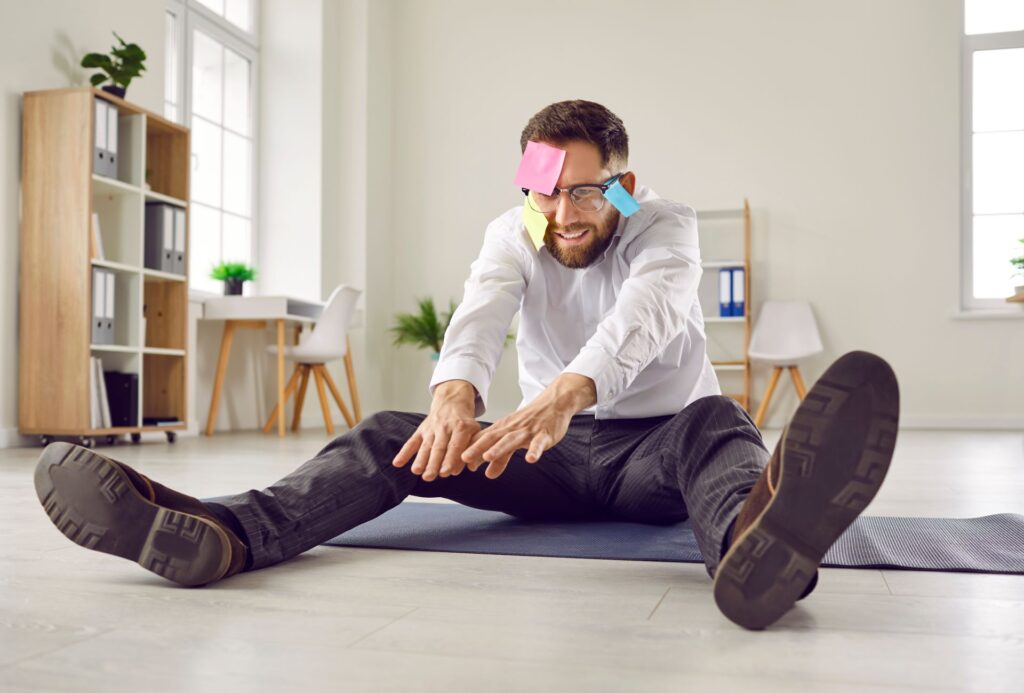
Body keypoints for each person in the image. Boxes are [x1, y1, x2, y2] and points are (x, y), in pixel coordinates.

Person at [34, 100, 899, 630]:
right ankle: (224, 535)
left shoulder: (660, 222)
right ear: (529, 185)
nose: (564, 213)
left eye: (587, 192)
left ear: (625, 184)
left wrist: (568, 389)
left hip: (659, 448)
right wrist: (454, 396)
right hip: (544, 454)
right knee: (389, 435)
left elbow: (653, 311)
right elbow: (483, 307)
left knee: (723, 425)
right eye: (546, 190)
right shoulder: (517, 226)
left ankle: (760, 553)